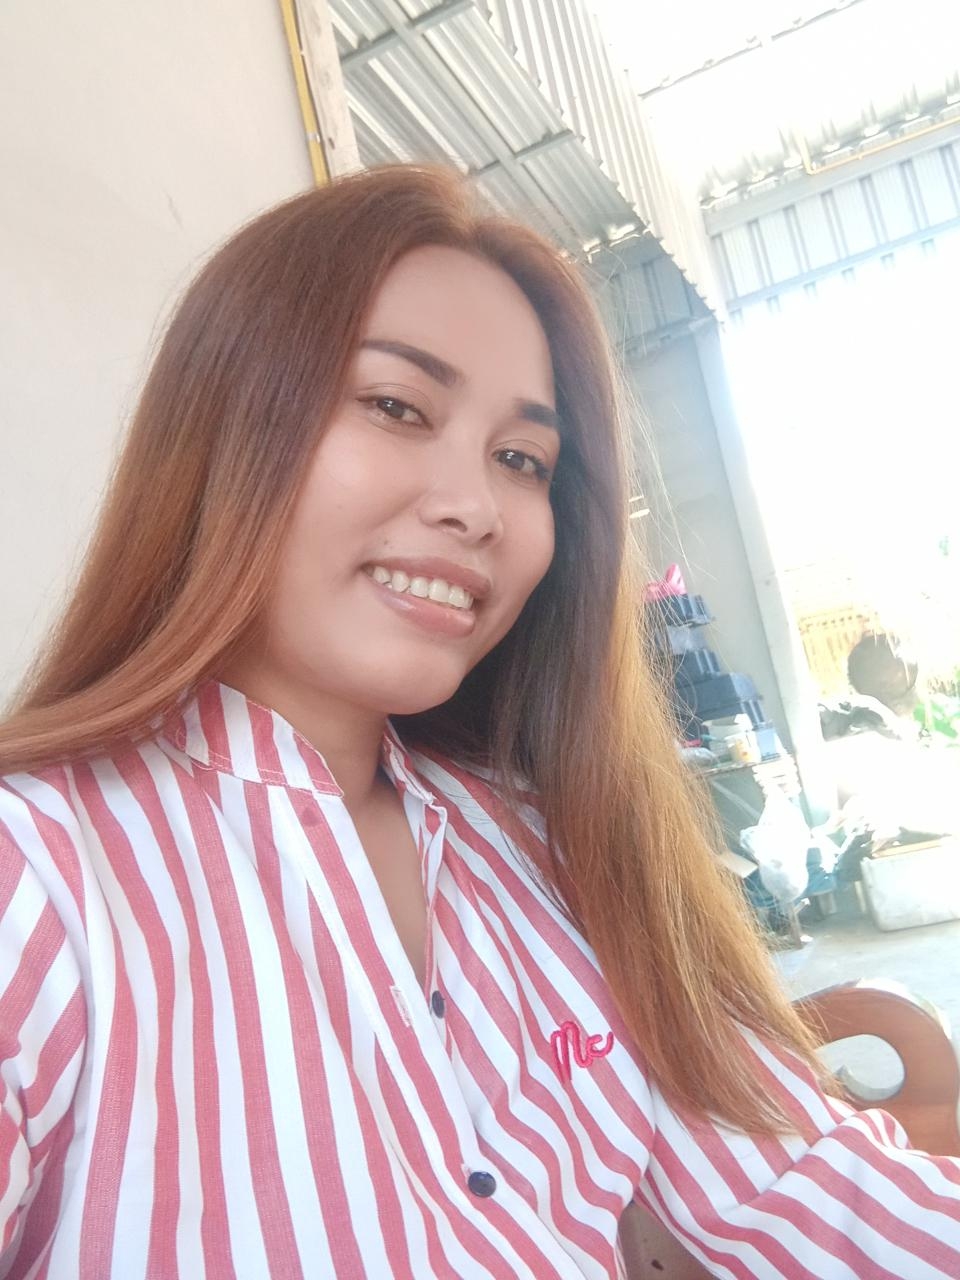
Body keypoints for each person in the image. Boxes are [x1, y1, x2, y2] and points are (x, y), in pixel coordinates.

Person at [0, 164, 956, 1280]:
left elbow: (802, 1183)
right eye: (397, 407)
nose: (476, 507)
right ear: (223, 426)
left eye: (522, 460)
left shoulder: (547, 847)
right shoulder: (39, 879)